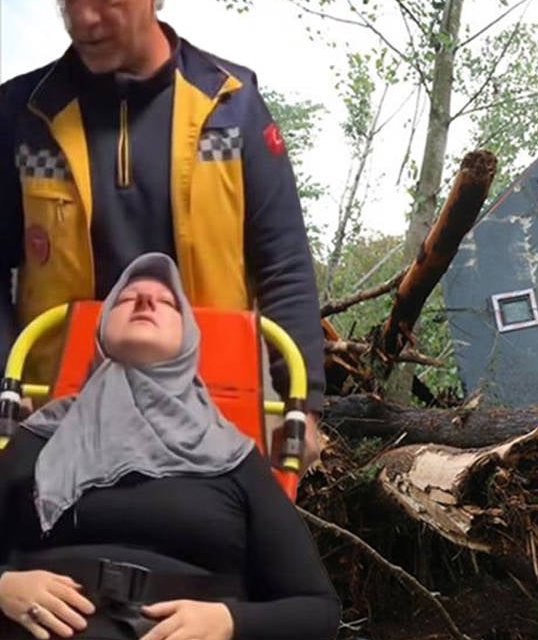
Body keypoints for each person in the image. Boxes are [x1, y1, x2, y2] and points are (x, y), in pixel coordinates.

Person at [0, 0, 326, 468]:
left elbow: (284, 262)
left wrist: (304, 405)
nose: (85, 20)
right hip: (55, 412)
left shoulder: (232, 105)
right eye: (69, 1)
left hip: (215, 413)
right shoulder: (22, 114)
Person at [0, 253, 340, 640]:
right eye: (127, 298)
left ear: (189, 337)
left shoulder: (234, 457)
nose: (145, 301)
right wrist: (3, 588)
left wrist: (229, 622)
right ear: (100, 330)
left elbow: (317, 609)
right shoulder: (40, 436)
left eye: (166, 302)